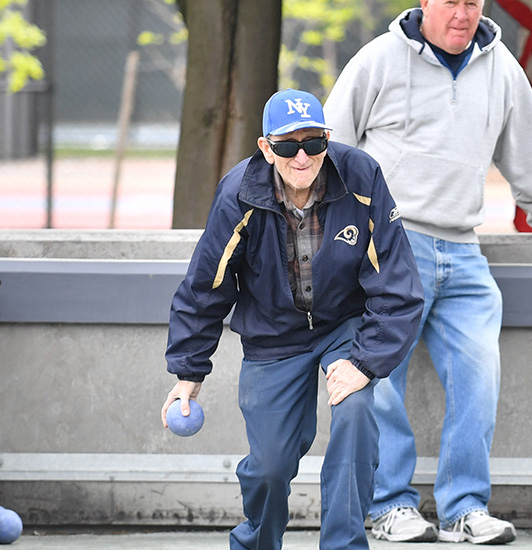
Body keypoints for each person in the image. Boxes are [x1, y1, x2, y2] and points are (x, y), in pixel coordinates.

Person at [323, 0, 532, 544]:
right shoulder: (379, 60)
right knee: (379, 379)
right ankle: (389, 505)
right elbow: (330, 151)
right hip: (389, 243)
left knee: (478, 378)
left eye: (472, 2)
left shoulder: (502, 66)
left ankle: (464, 507)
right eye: (451, 1)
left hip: (463, 249)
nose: (462, 13)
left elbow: (531, 158)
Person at [161, 89, 424, 550]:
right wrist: (188, 372)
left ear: (327, 139)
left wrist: (364, 362)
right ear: (266, 148)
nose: (302, 156)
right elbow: (208, 285)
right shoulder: (238, 193)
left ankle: (344, 545)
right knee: (268, 468)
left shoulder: (362, 176)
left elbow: (397, 284)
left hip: (345, 326)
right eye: (287, 145)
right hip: (272, 337)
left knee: (357, 412)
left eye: (313, 142)